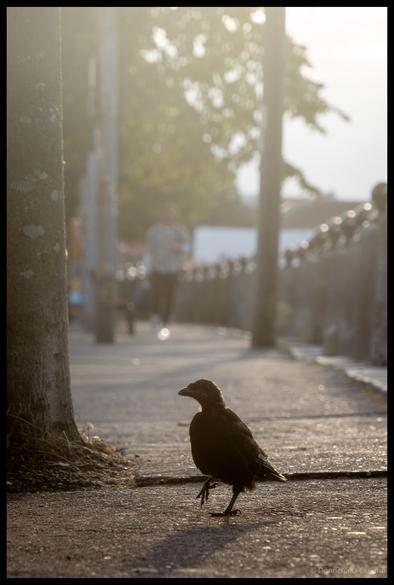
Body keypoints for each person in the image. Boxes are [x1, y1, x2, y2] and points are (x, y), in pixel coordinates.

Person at [145, 204, 190, 337]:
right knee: (156, 293)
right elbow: (148, 251)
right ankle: (155, 316)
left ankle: (166, 321)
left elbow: (188, 248)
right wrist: (148, 268)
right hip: (157, 268)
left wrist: (180, 248)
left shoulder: (180, 231)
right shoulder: (154, 231)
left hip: (173, 268)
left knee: (171, 294)